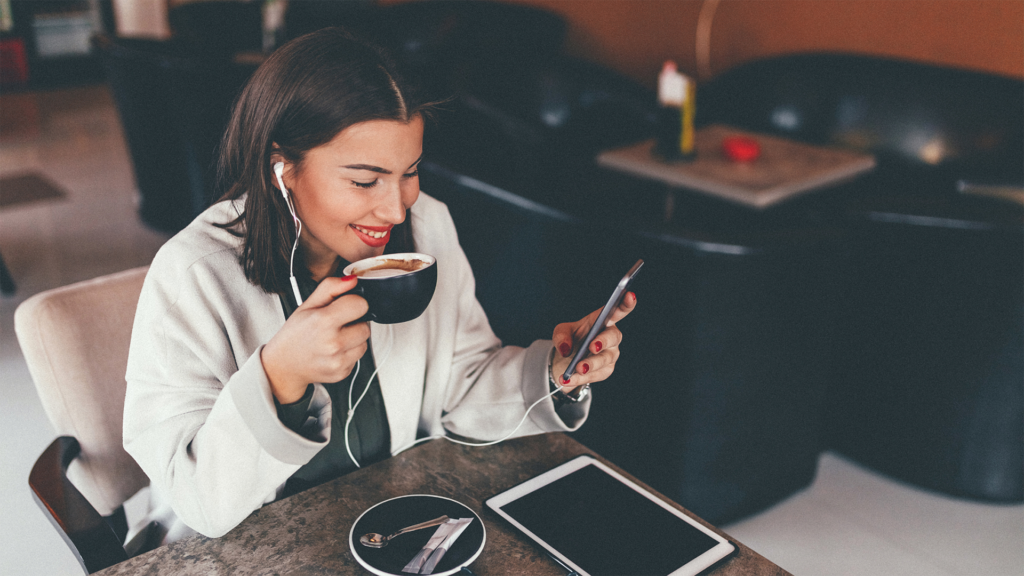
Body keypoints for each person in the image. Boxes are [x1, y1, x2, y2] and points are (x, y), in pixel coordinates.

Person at [123, 27, 636, 543]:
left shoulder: (426, 229)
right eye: (365, 181)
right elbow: (198, 502)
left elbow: (460, 382)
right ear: (281, 167)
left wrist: (553, 370)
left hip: (387, 528)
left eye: (409, 172)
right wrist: (278, 377)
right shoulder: (194, 276)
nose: (395, 209)